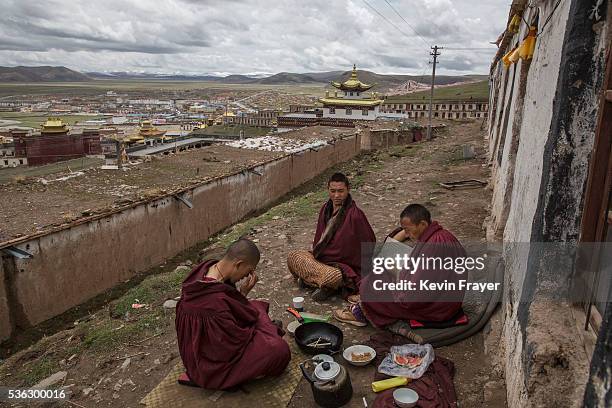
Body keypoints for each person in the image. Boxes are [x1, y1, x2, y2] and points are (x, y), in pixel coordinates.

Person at [176, 239, 290, 390]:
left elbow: (231, 307)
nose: (247, 276)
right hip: (211, 362)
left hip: (200, 344)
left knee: (256, 307)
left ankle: (269, 330)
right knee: (279, 350)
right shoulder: (215, 304)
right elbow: (234, 344)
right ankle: (224, 378)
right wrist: (262, 332)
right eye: (249, 271)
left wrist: (242, 294)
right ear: (238, 264)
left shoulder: (207, 267)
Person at [334, 204, 466, 327]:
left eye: (408, 230)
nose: (407, 235)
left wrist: (396, 289)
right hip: (442, 298)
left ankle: (360, 313)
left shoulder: (434, 245)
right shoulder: (441, 235)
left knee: (373, 291)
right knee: (380, 275)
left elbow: (414, 296)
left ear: (423, 224)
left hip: (437, 308)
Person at [287, 172, 376, 301]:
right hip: (321, 259)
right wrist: (319, 257)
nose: (336, 195)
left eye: (341, 191)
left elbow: (369, 244)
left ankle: (319, 283)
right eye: (332, 191)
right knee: (294, 256)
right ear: (327, 189)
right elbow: (319, 241)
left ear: (348, 190)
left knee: (333, 276)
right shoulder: (325, 208)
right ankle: (322, 284)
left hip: (343, 266)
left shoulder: (355, 215)